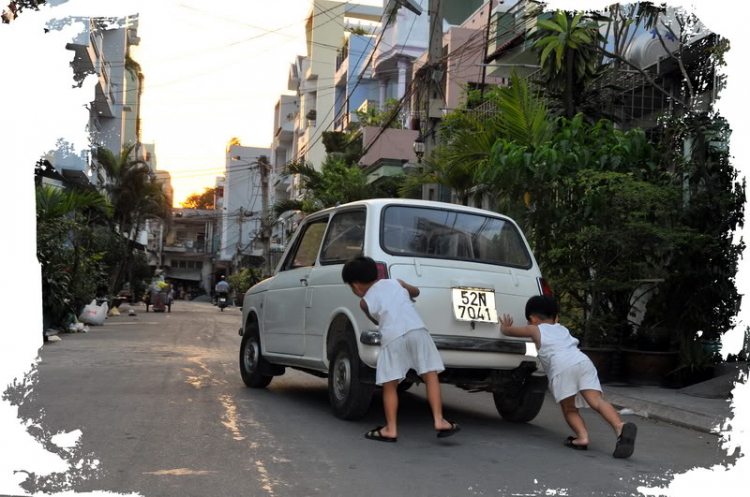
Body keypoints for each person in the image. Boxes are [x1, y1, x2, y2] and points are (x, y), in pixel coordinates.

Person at [499, 295, 637, 458]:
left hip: (562, 366)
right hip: (583, 361)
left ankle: (582, 438)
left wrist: (505, 326)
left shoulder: (534, 329)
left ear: (532, 319)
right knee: (597, 401)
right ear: (556, 318)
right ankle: (619, 426)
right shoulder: (562, 329)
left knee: (570, 408)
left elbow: (508, 331)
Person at [342, 256, 459, 443]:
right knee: (430, 374)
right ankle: (439, 420)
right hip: (416, 330)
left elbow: (377, 320)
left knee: (390, 384)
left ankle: (391, 429)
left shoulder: (364, 302)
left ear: (355, 286)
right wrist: (408, 293)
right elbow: (416, 291)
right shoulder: (396, 282)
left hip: (393, 336)